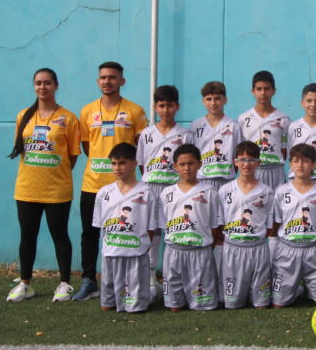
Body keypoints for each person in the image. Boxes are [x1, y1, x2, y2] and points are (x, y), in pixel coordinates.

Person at [75, 61, 148, 300]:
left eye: (113, 77)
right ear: (98, 81)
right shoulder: (87, 111)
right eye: (103, 77)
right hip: (93, 184)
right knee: (90, 233)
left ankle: (126, 280)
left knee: (126, 230)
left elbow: (140, 146)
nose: (108, 81)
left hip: (126, 188)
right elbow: (88, 147)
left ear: (122, 81)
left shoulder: (135, 111)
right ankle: (88, 281)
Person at [6, 68, 80, 303]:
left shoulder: (68, 118)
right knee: (27, 236)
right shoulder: (23, 116)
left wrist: (55, 171)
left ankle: (65, 283)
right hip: (27, 188)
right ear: (34, 86)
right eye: (38, 83)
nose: (42, 87)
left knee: (60, 235)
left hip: (57, 189)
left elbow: (73, 156)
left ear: (56, 86)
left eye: (47, 83)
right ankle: (25, 284)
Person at [136, 85, 192, 298]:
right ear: (155, 107)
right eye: (161, 105)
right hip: (152, 188)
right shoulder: (147, 134)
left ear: (177, 106)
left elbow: (188, 163)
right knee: (153, 231)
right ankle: (150, 277)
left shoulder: (185, 134)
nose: (166, 109)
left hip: (175, 190)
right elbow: (142, 165)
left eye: (170, 105)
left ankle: (174, 276)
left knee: (175, 230)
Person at [93, 143, 158, 313]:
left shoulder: (147, 192)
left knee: (135, 308)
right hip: (111, 254)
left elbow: (151, 228)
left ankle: (151, 292)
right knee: (107, 307)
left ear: (134, 163)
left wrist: (141, 247)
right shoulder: (103, 193)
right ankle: (150, 292)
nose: (117, 168)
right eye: (114, 163)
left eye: (122, 163)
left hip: (135, 254)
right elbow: (100, 226)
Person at [159, 144, 221, 311]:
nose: (187, 168)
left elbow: (215, 226)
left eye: (191, 163)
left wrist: (206, 245)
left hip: (200, 251)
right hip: (174, 251)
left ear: (199, 164)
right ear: (175, 166)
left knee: (203, 305)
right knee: (174, 306)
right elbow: (164, 223)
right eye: (182, 164)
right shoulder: (166, 193)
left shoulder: (209, 192)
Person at [270, 143, 316, 307]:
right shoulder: (281, 191)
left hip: (313, 250)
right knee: (278, 304)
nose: (300, 165)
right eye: (296, 161)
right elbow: (276, 224)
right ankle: (294, 288)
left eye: (305, 161)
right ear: (291, 163)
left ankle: (305, 287)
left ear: (313, 164)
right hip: (287, 250)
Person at [218, 141, 275, 309]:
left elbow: (270, 223)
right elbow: (221, 222)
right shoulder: (225, 190)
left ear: (258, 162)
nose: (246, 164)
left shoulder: (266, 191)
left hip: (258, 248)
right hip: (233, 248)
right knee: (232, 303)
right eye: (242, 160)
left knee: (261, 303)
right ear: (235, 162)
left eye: (251, 160)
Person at [238, 71, 291, 189]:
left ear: (273, 91)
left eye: (267, 89)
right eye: (259, 89)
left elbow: (284, 149)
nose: (263, 93)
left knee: (276, 206)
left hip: (275, 171)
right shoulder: (243, 118)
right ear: (253, 91)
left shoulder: (283, 119)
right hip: (252, 171)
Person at [190, 81, 239, 191]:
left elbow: (237, 154)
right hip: (202, 180)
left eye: (217, 98)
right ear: (203, 101)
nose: (213, 103)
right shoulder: (195, 126)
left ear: (225, 100)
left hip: (226, 181)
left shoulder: (233, 125)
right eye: (209, 99)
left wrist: (230, 172)